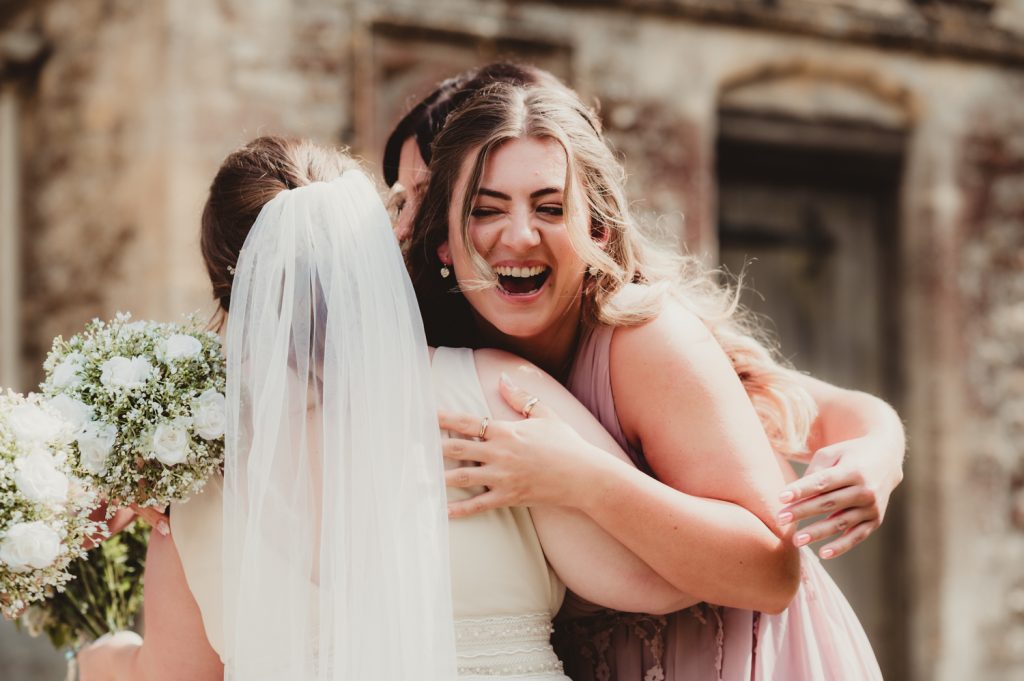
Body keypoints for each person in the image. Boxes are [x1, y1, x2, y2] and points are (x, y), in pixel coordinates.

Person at [77, 136, 765, 681]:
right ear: (376, 253)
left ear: (232, 290)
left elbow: (175, 675)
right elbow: (655, 580)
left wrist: (102, 658)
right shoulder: (493, 392)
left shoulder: (191, 478)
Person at [404, 81, 893, 680]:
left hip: (740, 658)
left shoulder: (644, 340)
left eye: (551, 208)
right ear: (443, 243)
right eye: (486, 209)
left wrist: (580, 477)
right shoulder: (448, 357)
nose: (520, 235)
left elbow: (771, 574)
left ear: (598, 233)